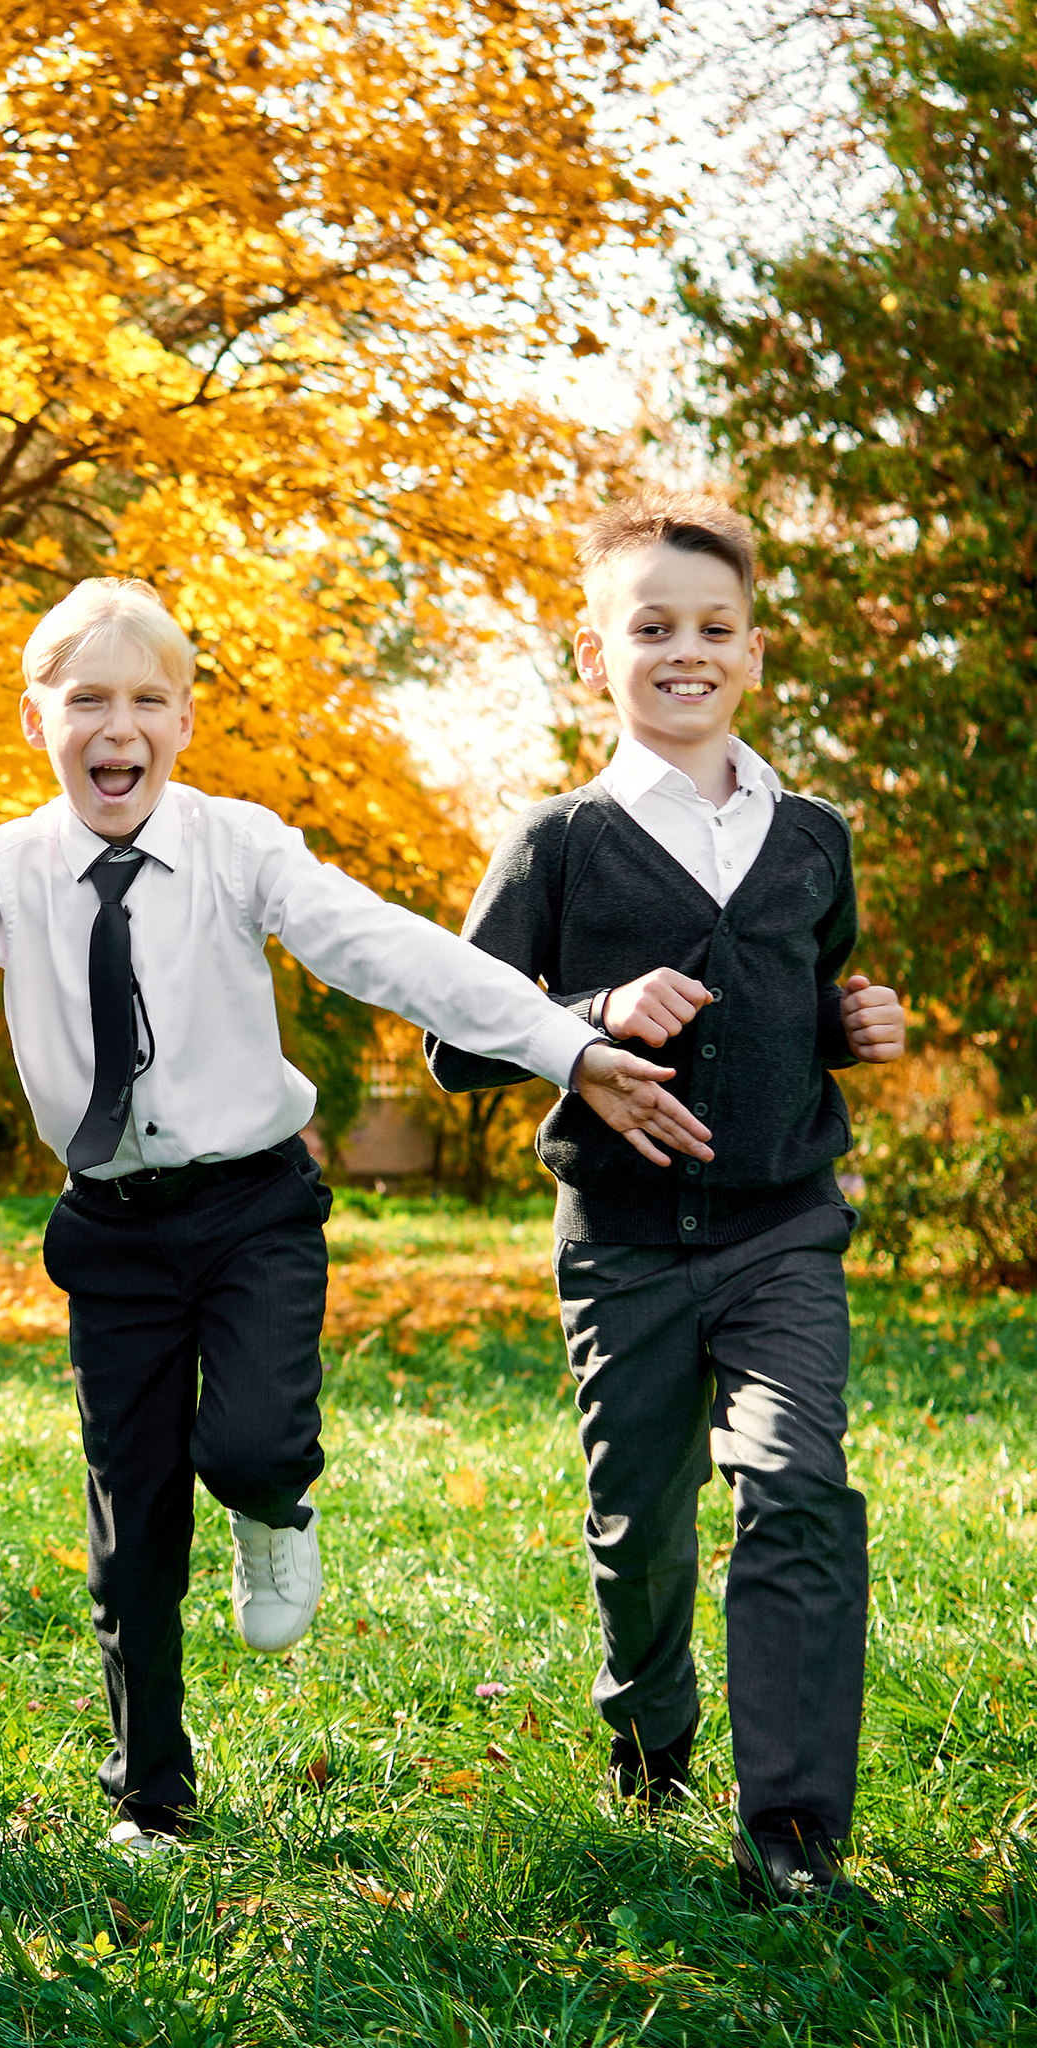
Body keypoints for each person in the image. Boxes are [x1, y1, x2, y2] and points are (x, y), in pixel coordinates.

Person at [0, 577, 710, 1854]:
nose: (117, 725)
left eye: (146, 699)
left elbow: (390, 950)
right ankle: (151, 1789)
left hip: (252, 1205)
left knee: (250, 1446)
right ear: (36, 716)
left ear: (184, 721)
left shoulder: (236, 843)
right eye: (87, 699)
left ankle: (274, 1505)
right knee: (128, 1514)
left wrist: (562, 1040)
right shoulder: (6, 865)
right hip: (111, 1228)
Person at [424, 489, 907, 1915]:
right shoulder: (558, 842)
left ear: (754, 654)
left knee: (795, 1486)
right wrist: (594, 1014)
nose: (683, 651)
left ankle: (797, 1828)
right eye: (651, 628)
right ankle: (649, 1728)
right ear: (594, 657)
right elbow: (459, 1039)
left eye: (713, 628)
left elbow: (790, 997)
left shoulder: (813, 832)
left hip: (781, 1232)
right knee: (640, 1525)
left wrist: (845, 1021)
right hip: (623, 1250)